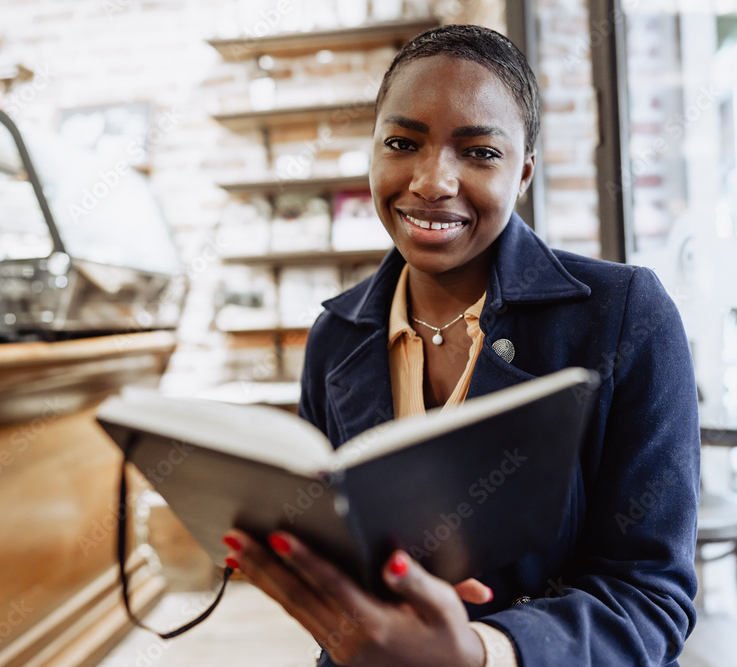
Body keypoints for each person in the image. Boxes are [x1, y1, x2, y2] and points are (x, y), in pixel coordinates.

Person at [222, 24, 700, 666]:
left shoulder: (624, 315)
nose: (431, 181)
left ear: (524, 171)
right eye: (401, 142)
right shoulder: (335, 336)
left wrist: (480, 651)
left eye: (478, 152)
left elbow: (650, 595)